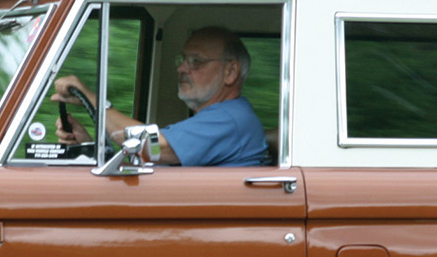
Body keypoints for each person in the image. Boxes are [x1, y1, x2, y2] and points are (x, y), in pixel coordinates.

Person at [52, 26, 272, 167]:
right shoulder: (214, 120)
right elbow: (145, 165)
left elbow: (152, 148)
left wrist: (95, 101)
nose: (181, 69)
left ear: (230, 72)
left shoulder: (230, 118)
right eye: (183, 60)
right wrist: (90, 144)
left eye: (196, 61)